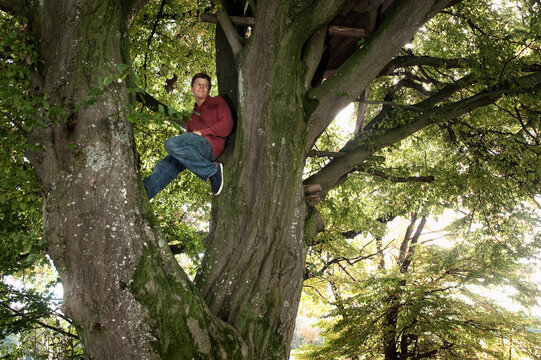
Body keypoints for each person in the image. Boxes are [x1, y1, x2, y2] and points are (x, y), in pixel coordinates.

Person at [143, 73, 234, 199]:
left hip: (211, 145)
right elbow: (185, 149)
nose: (202, 87)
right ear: (192, 89)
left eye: (205, 85)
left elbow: (227, 125)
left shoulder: (217, 101)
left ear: (209, 90)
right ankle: (142, 194)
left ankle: (212, 171)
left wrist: (202, 133)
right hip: (195, 151)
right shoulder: (191, 118)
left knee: (171, 144)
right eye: (199, 84)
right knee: (166, 164)